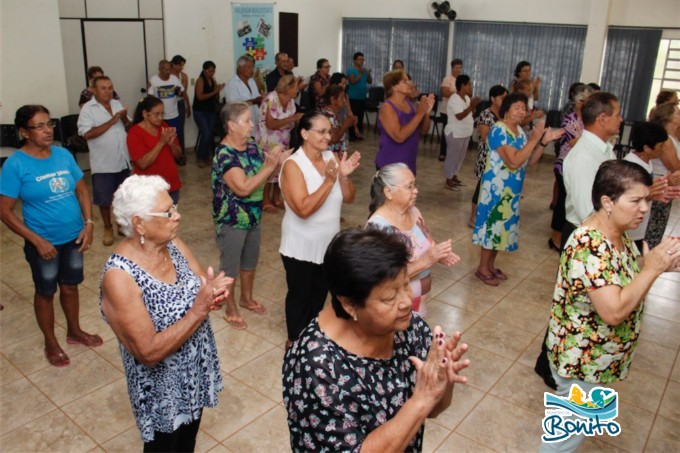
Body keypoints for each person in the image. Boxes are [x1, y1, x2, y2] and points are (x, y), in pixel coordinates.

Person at [282, 227, 470, 451]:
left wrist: (440, 385)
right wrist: (421, 399)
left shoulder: (409, 328)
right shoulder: (315, 365)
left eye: (406, 285)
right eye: (390, 297)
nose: (406, 302)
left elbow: (433, 409)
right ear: (350, 304)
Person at [541, 160, 680, 452]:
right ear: (608, 201)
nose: (644, 208)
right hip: (582, 362)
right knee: (565, 441)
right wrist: (651, 270)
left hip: (599, 360)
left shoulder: (616, 231)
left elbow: (624, 271)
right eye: (636, 200)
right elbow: (614, 311)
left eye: (646, 199)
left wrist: (657, 263)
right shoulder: (588, 245)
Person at [100, 175, 231, 451]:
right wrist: (199, 309)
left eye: (174, 208)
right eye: (168, 212)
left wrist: (212, 292)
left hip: (193, 370)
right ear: (139, 223)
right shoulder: (120, 276)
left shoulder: (172, 245)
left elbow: (200, 285)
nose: (177, 216)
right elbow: (148, 352)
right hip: (162, 392)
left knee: (187, 443)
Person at [0, 105, 101, 368]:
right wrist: (37, 240)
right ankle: (50, 341)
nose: (47, 131)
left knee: (70, 285)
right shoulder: (16, 165)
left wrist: (89, 223)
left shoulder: (63, 154)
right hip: (43, 243)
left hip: (74, 238)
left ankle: (74, 331)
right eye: (39, 126)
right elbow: (5, 211)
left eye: (49, 124)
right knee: (46, 291)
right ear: (24, 132)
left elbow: (81, 190)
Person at [535, 92, 622, 390]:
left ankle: (546, 361)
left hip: (595, 233)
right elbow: (589, 209)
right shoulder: (585, 155)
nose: (622, 119)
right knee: (574, 306)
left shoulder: (603, 149)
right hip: (585, 233)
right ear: (602, 119)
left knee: (576, 304)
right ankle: (551, 364)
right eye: (617, 114)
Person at [279, 111, 361, 346]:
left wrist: (343, 177)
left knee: (319, 294)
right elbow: (303, 209)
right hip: (300, 245)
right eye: (322, 131)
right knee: (300, 295)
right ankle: (294, 341)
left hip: (328, 244)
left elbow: (350, 198)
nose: (328, 136)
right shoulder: (293, 165)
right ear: (304, 133)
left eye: (329, 131)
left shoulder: (331, 158)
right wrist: (328, 180)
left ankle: (311, 338)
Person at [212, 102, 291, 330]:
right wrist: (270, 167)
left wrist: (281, 158)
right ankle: (230, 308)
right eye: (246, 121)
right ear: (231, 125)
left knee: (250, 260)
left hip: (253, 214)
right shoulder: (224, 154)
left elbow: (264, 168)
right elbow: (244, 188)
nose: (252, 125)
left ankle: (246, 298)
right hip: (232, 219)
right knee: (230, 266)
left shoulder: (251, 145)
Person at [472, 93, 563, 286]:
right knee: (492, 228)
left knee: (500, 230)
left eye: (524, 108)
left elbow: (529, 161)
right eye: (517, 108)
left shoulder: (520, 132)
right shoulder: (499, 130)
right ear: (506, 109)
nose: (522, 112)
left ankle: (490, 266)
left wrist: (543, 142)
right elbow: (513, 161)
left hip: (511, 191)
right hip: (496, 189)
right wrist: (534, 139)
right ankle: (482, 268)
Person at [367, 163, 461, 315]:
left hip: (417, 306)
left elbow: (425, 240)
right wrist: (427, 261)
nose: (416, 191)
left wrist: (438, 253)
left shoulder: (413, 211)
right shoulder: (378, 228)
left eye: (415, 185)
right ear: (388, 192)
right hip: (394, 310)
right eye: (409, 187)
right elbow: (384, 278)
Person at [78, 75, 131, 246]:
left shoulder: (117, 104)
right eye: (103, 88)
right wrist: (112, 121)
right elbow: (87, 134)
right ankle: (107, 227)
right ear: (93, 90)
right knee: (104, 199)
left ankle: (121, 224)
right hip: (103, 163)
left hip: (123, 160)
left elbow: (129, 128)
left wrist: (123, 119)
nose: (108, 91)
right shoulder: (88, 109)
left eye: (110, 87)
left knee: (123, 197)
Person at [549, 85, 594, 251]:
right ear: (575, 102)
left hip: (578, 166)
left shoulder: (588, 120)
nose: (584, 104)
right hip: (565, 166)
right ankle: (555, 236)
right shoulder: (570, 119)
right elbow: (573, 142)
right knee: (562, 202)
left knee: (571, 202)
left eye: (587, 101)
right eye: (582, 101)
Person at [624, 122, 673, 251]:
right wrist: (651, 194)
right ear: (647, 148)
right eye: (661, 146)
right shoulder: (630, 167)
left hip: (641, 227)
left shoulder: (647, 161)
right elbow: (629, 200)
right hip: (630, 231)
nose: (664, 149)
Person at [257, 75, 304, 211]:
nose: (297, 90)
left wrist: (296, 120)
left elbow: (290, 120)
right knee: (268, 170)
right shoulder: (271, 99)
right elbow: (271, 124)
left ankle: (276, 198)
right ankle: (265, 200)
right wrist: (293, 118)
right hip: (268, 141)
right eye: (295, 87)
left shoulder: (290, 100)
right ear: (288, 88)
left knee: (280, 169)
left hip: (283, 139)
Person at [375, 69, 434, 175]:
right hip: (390, 165)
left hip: (408, 163)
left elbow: (423, 130)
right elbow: (399, 136)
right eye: (405, 81)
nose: (410, 84)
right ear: (394, 86)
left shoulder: (408, 103)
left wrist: (426, 114)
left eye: (409, 80)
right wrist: (419, 114)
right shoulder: (387, 108)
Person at [126, 96, 182, 204]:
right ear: (145, 114)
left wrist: (172, 146)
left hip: (171, 185)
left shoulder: (164, 126)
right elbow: (142, 164)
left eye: (162, 114)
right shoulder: (134, 133)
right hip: (149, 190)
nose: (160, 118)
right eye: (156, 114)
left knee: (170, 218)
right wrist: (161, 142)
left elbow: (179, 156)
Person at [469, 85, 507, 227]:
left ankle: (487, 215)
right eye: (501, 97)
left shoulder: (504, 115)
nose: (504, 100)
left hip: (500, 157)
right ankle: (473, 217)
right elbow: (485, 137)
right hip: (487, 157)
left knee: (493, 188)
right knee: (482, 187)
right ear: (492, 98)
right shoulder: (486, 114)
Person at [646, 102, 680, 248]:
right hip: (660, 185)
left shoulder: (673, 137)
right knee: (655, 228)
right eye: (677, 113)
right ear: (669, 118)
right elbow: (675, 167)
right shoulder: (666, 139)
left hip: (666, 186)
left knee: (659, 226)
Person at [443, 74, 481, 190]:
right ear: (463, 85)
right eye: (469, 84)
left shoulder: (467, 98)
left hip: (465, 133)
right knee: (452, 157)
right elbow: (459, 116)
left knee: (460, 158)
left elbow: (471, 114)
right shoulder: (454, 99)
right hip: (455, 133)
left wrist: (472, 106)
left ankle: (454, 176)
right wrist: (472, 106)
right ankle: (448, 180)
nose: (471, 87)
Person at [147, 60, 185, 166]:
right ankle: (165, 159)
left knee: (176, 138)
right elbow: (149, 97)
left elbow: (181, 92)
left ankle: (178, 157)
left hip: (174, 114)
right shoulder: (154, 80)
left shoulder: (174, 78)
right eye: (166, 69)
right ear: (160, 70)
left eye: (169, 69)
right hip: (159, 117)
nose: (168, 72)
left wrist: (179, 90)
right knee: (160, 139)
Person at [193, 61, 225, 168]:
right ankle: (200, 157)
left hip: (210, 111)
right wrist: (215, 90)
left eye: (213, 71)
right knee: (206, 133)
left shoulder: (213, 80)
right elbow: (200, 97)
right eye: (209, 71)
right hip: (200, 111)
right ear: (204, 70)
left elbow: (216, 97)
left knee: (209, 133)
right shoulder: (200, 80)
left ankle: (206, 157)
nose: (211, 73)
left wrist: (218, 90)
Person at [438, 58, 463, 161]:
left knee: (456, 133)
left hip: (458, 111)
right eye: (456, 67)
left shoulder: (462, 80)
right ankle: (442, 153)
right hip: (447, 111)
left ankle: (453, 154)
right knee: (447, 132)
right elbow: (445, 93)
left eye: (460, 67)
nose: (458, 69)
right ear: (452, 68)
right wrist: (457, 93)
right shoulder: (447, 79)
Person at [226, 55, 263, 123]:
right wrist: (253, 101)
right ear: (240, 68)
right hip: (240, 123)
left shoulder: (252, 81)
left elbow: (257, 98)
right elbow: (232, 106)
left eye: (253, 67)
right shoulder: (232, 84)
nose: (252, 70)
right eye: (249, 67)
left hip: (255, 122)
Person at [322, 84, 355, 156]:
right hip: (330, 158)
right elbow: (333, 139)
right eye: (342, 97)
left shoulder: (336, 114)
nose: (344, 101)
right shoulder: (326, 116)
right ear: (333, 100)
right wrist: (345, 126)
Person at [347, 52, 373, 141]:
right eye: (360, 59)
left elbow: (370, 81)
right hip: (353, 98)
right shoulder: (351, 70)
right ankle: (352, 135)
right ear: (355, 60)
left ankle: (358, 134)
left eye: (363, 59)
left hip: (362, 97)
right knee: (353, 117)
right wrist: (361, 74)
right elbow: (352, 81)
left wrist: (368, 74)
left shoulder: (364, 70)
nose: (362, 61)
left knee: (360, 117)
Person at [170, 55, 191, 157]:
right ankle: (171, 153)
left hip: (180, 103)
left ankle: (181, 152)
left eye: (182, 65)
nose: (181, 68)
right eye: (179, 65)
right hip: (170, 103)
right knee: (170, 129)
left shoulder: (184, 76)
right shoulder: (168, 75)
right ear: (173, 65)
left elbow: (184, 92)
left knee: (180, 129)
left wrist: (188, 105)